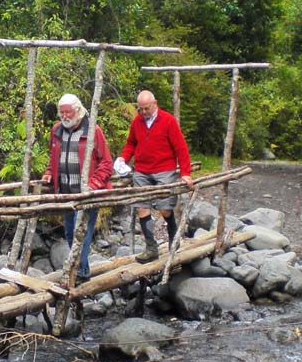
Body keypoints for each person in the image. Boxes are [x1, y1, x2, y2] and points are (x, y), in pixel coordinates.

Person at [41, 93, 113, 281]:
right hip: (66, 193)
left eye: (68, 112)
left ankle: (79, 272)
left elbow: (106, 163)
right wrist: (49, 172)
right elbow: (53, 156)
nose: (64, 116)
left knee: (82, 233)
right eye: (61, 112)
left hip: (87, 195)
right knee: (70, 232)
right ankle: (82, 270)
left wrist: (93, 184)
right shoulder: (56, 130)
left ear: (78, 111)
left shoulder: (92, 130)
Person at [115, 89, 193, 263]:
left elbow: (181, 148)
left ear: (155, 104)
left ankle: (173, 233)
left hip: (164, 169)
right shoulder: (137, 122)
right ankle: (151, 248)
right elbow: (131, 144)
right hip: (142, 170)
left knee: (165, 208)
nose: (143, 112)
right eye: (140, 109)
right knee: (142, 207)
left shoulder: (168, 121)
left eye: (146, 109)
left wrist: (186, 173)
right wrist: (123, 158)